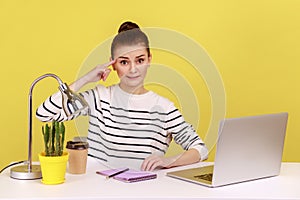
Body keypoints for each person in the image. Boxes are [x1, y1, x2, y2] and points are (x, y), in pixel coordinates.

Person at [36, 21, 208, 171]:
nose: (133, 69)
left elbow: (200, 150)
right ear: (113, 63)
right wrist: (86, 78)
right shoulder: (99, 98)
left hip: (143, 191)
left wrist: (168, 161)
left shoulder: (164, 108)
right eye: (124, 62)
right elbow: (44, 113)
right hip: (95, 190)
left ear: (149, 59)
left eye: (139, 60)